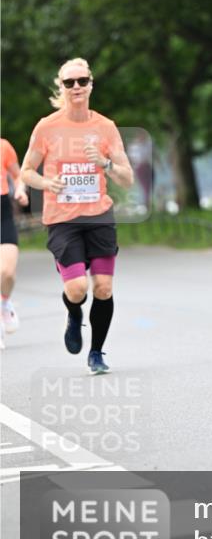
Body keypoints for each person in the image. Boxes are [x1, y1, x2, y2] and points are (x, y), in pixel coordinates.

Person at [20, 58, 133, 374]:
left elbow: (127, 178)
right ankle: (73, 313)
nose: (76, 87)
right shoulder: (47, 127)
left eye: (82, 81)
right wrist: (46, 182)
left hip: (98, 215)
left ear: (91, 84)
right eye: (69, 83)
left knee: (104, 288)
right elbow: (27, 171)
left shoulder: (105, 127)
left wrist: (105, 164)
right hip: (62, 219)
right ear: (61, 87)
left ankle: (96, 352)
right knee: (77, 290)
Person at [1, 138, 29, 349]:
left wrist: (20, 190)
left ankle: (5, 303)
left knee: (7, 272)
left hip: (3, 215)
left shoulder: (4, 146)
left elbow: (19, 175)